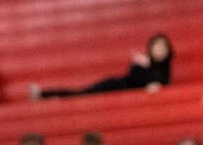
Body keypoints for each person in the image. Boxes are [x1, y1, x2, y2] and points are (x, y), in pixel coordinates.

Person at [35, 34, 173, 99]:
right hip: (115, 85)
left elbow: (162, 84)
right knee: (83, 93)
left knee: (82, 94)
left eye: (163, 47)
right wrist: (146, 67)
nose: (160, 49)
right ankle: (44, 94)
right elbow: (134, 79)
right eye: (157, 46)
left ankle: (49, 96)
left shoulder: (164, 68)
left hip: (124, 93)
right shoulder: (141, 62)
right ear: (151, 47)